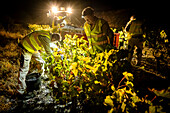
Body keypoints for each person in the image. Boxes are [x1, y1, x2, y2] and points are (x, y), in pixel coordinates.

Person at [17, 30, 60, 96]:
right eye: (54, 41)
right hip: (25, 47)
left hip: (32, 48)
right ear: (53, 39)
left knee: (41, 62)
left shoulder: (47, 34)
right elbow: (48, 52)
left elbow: (47, 44)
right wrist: (57, 58)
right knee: (24, 69)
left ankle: (41, 76)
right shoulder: (46, 38)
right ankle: (21, 91)